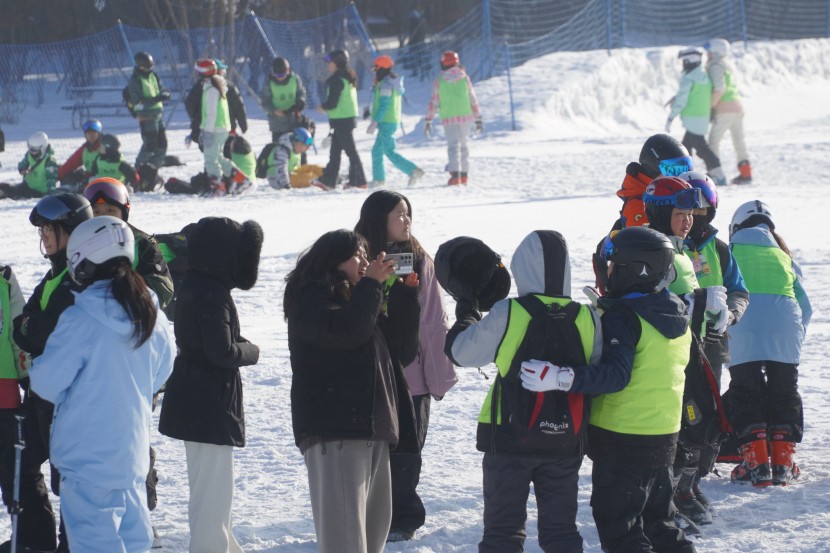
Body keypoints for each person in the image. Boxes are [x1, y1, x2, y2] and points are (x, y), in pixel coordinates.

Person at [522, 226, 697, 553]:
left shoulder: (624, 317)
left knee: (620, 527)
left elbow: (616, 376)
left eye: (615, 266)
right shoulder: (674, 311)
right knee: (659, 522)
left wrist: (560, 377)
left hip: (623, 438)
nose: (609, 272)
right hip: (663, 434)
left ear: (635, 270)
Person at [445, 230, 601, 553]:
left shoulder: (510, 312)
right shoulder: (588, 317)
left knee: (503, 534)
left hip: (509, 440)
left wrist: (467, 312)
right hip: (565, 439)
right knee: (561, 534)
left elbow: (461, 352)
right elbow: (595, 374)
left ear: (523, 268)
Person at [28, 216, 175, 553]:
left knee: (94, 544)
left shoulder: (80, 318)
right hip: (131, 454)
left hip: (86, 458)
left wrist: (35, 366)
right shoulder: (151, 312)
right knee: (135, 542)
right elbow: (163, 370)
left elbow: (48, 382)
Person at [284, 229, 420, 553]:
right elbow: (347, 332)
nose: (364, 262)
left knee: (372, 535)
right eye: (356, 255)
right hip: (337, 429)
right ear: (332, 259)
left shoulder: (358, 299)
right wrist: (371, 286)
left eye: (365, 255)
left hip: (372, 427)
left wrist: (404, 297)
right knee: (344, 538)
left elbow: (402, 351)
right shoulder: (310, 296)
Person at [354, 191, 457, 542]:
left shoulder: (418, 259)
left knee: (407, 452)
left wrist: (437, 376)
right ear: (377, 219)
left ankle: (401, 518)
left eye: (408, 213)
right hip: (368, 373)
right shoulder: (357, 257)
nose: (406, 220)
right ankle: (370, 514)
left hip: (411, 378)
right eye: (398, 214)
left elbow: (433, 324)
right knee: (370, 450)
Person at [158, 216, 263, 553]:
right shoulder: (210, 292)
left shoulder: (195, 284)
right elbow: (222, 351)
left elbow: (211, 340)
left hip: (197, 396)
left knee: (210, 487)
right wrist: (252, 350)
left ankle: (222, 544)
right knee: (212, 490)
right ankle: (211, 547)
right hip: (208, 400)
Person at [642, 176, 735, 525]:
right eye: (680, 214)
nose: (689, 220)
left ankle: (683, 488)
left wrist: (716, 312)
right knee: (677, 427)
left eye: (692, 214)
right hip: (663, 357)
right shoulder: (651, 249)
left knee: (697, 423)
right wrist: (696, 300)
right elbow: (646, 301)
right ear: (661, 213)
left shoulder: (681, 249)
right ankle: (666, 498)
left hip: (692, 350)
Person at [11, 193, 94, 552]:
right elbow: (23, 327)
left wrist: (31, 328)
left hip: (68, 402)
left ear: (73, 230)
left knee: (69, 479)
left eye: (50, 228)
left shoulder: (80, 278)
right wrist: (31, 328)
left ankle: (69, 544)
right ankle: (36, 538)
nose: (43, 235)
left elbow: (41, 331)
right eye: (41, 229)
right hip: (41, 397)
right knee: (18, 462)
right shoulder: (52, 276)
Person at [673, 171, 748, 516]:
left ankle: (691, 482)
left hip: (711, 345)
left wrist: (729, 315)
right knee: (677, 414)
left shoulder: (717, 249)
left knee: (704, 417)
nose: (693, 217)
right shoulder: (668, 243)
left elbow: (739, 290)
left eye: (700, 210)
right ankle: (673, 485)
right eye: (687, 210)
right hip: (674, 343)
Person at [727, 200, 811, 486]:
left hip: (741, 321)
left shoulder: (728, 251)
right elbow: (805, 306)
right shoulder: (783, 255)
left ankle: (757, 464)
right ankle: (783, 464)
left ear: (735, 226)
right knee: (784, 390)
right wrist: (795, 336)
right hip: (784, 323)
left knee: (745, 389)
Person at [0, 264, 49, 553]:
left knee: (16, 473)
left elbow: (17, 335)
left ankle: (34, 540)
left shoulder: (4, 281)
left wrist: (29, 378)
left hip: (4, 395)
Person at [82, 177, 174, 316]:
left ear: (123, 213)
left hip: (131, 319)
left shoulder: (142, 244)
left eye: (110, 210)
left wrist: (122, 288)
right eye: (97, 212)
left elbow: (161, 291)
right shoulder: (79, 243)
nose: (104, 217)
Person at [191, 59, 252, 197]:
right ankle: (242, 180)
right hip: (221, 128)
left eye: (198, 72)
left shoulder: (212, 89)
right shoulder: (214, 86)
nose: (196, 74)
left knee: (210, 159)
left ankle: (218, 188)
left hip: (215, 129)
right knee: (218, 157)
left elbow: (211, 113)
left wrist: (207, 132)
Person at [666, 47, 727, 186]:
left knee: (700, 147)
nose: (683, 64)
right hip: (702, 117)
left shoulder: (688, 78)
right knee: (686, 147)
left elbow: (682, 99)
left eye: (684, 61)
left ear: (689, 61)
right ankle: (685, 176)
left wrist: (671, 116)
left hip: (691, 118)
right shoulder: (704, 75)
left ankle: (718, 175)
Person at [423, 51, 483, 185]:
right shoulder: (464, 77)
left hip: (449, 117)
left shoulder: (440, 80)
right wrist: (478, 117)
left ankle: (455, 175)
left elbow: (434, 101)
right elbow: (473, 98)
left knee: (453, 146)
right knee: (464, 145)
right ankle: (464, 175)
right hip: (465, 116)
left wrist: (428, 119)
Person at [614, 133, 694, 230]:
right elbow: (644, 239)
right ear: (653, 168)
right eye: (672, 170)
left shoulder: (665, 195)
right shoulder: (640, 206)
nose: (679, 177)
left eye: (685, 170)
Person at [366, 55, 424, 188]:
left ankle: (413, 171)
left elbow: (384, 105)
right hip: (387, 121)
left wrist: (374, 122)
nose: (375, 72)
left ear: (382, 69)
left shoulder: (386, 85)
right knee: (376, 151)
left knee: (389, 151)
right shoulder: (386, 83)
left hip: (387, 122)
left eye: (376, 69)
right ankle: (378, 179)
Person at [313, 49, 367, 191]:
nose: (328, 65)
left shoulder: (337, 79)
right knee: (335, 152)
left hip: (342, 120)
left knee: (350, 152)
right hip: (344, 120)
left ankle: (359, 181)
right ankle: (328, 181)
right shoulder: (346, 76)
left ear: (337, 62)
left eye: (329, 62)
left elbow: (333, 103)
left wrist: (322, 107)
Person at [704, 38, 753, 184]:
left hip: (724, 109)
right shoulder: (727, 65)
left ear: (716, 52)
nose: (707, 54)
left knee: (713, 141)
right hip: (737, 107)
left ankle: (715, 173)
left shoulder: (715, 66)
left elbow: (719, 88)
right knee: (739, 141)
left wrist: (710, 106)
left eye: (709, 51)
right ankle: (746, 173)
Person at [126, 52, 170, 189]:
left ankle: (151, 173)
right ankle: (136, 174)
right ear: (140, 66)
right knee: (149, 146)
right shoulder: (135, 81)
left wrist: (164, 94)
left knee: (162, 145)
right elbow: (138, 103)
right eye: (147, 67)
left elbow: (160, 89)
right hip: (146, 118)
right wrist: (156, 99)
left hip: (158, 116)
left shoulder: (153, 76)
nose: (150, 69)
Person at [260, 56, 307, 143]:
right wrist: (274, 110)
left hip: (294, 120)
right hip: (278, 124)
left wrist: (300, 101)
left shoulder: (295, 79)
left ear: (288, 71)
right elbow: (264, 102)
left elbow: (301, 92)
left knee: (295, 146)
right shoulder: (269, 83)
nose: (280, 78)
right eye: (277, 75)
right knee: (279, 147)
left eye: (282, 75)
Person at [0, 132, 58, 200]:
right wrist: (22, 169)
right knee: (3, 187)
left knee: (11, 193)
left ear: (43, 148)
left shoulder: (49, 161)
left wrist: (49, 197)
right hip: (26, 185)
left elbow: (51, 182)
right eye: (31, 149)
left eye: (35, 150)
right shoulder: (30, 154)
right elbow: (22, 164)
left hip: (39, 192)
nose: (32, 152)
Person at [57, 119, 103, 189]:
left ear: (99, 134)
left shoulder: (104, 147)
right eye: (88, 133)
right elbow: (71, 163)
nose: (91, 135)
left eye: (93, 133)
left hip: (103, 181)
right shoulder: (85, 149)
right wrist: (56, 176)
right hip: (89, 179)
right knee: (67, 173)